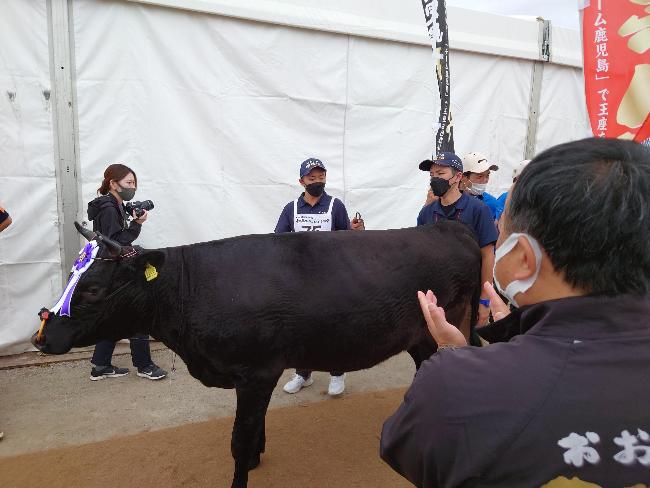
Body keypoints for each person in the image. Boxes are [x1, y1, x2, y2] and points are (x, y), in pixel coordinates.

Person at [381, 137, 650, 487]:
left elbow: (409, 450)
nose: (497, 231)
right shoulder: (426, 211)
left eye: (502, 227)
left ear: (523, 258)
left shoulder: (452, 383)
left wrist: (458, 363)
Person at [276, 157, 364, 396]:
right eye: (312, 178)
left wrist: (356, 232)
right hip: (301, 280)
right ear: (302, 181)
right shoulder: (291, 208)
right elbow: (278, 241)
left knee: (334, 327)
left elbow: (346, 240)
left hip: (331, 278)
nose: (317, 181)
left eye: (321, 177)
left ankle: (337, 373)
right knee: (301, 328)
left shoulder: (335, 205)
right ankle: (303, 374)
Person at [87, 163, 167, 381]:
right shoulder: (109, 208)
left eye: (134, 183)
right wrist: (137, 225)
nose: (132, 187)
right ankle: (144, 365)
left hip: (108, 268)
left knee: (113, 317)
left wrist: (130, 216)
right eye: (128, 183)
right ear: (113, 184)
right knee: (138, 314)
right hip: (114, 269)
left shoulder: (112, 205)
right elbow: (117, 242)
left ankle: (101, 366)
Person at [417, 152, 498, 327]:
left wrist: (485, 300)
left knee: (461, 347)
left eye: (440, 174)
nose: (434, 179)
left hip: (465, 297)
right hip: (434, 297)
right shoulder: (426, 213)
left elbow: (487, 255)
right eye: (432, 175)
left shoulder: (478, 210)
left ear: (458, 176)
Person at [461, 151, 503, 220]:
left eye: (487, 175)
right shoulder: (451, 200)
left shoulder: (492, 203)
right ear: (463, 177)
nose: (485, 180)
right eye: (480, 176)